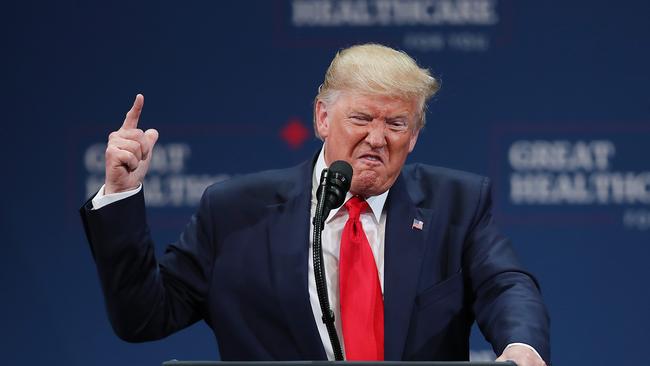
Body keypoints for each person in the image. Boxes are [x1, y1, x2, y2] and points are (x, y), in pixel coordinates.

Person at [80, 44, 550, 366]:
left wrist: (522, 345)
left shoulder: (457, 204)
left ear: (416, 134)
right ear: (323, 117)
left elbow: (505, 285)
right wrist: (121, 194)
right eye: (361, 118)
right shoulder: (234, 211)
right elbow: (143, 317)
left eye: (397, 123)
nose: (377, 138)